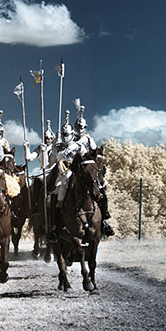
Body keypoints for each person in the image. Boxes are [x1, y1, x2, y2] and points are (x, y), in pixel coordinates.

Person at [73, 99, 114, 237]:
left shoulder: (89, 140)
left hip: (88, 170)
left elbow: (96, 155)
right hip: (72, 170)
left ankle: (103, 221)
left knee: (100, 191)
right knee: (60, 190)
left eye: (82, 127)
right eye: (78, 127)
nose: (80, 130)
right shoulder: (69, 138)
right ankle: (54, 224)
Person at [48, 110, 86, 242]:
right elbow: (52, 161)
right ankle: (55, 226)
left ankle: (102, 222)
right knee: (57, 196)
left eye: (67, 134)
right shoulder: (57, 147)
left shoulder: (78, 146)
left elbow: (85, 159)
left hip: (77, 175)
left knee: (97, 190)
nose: (65, 137)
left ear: (72, 134)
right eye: (63, 134)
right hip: (62, 177)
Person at [24, 120, 57, 214]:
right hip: (43, 172)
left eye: (50, 138)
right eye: (46, 138)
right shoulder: (40, 148)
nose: (48, 140)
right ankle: (35, 205)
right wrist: (26, 148)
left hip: (54, 170)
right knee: (37, 181)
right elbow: (29, 158)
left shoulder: (56, 148)